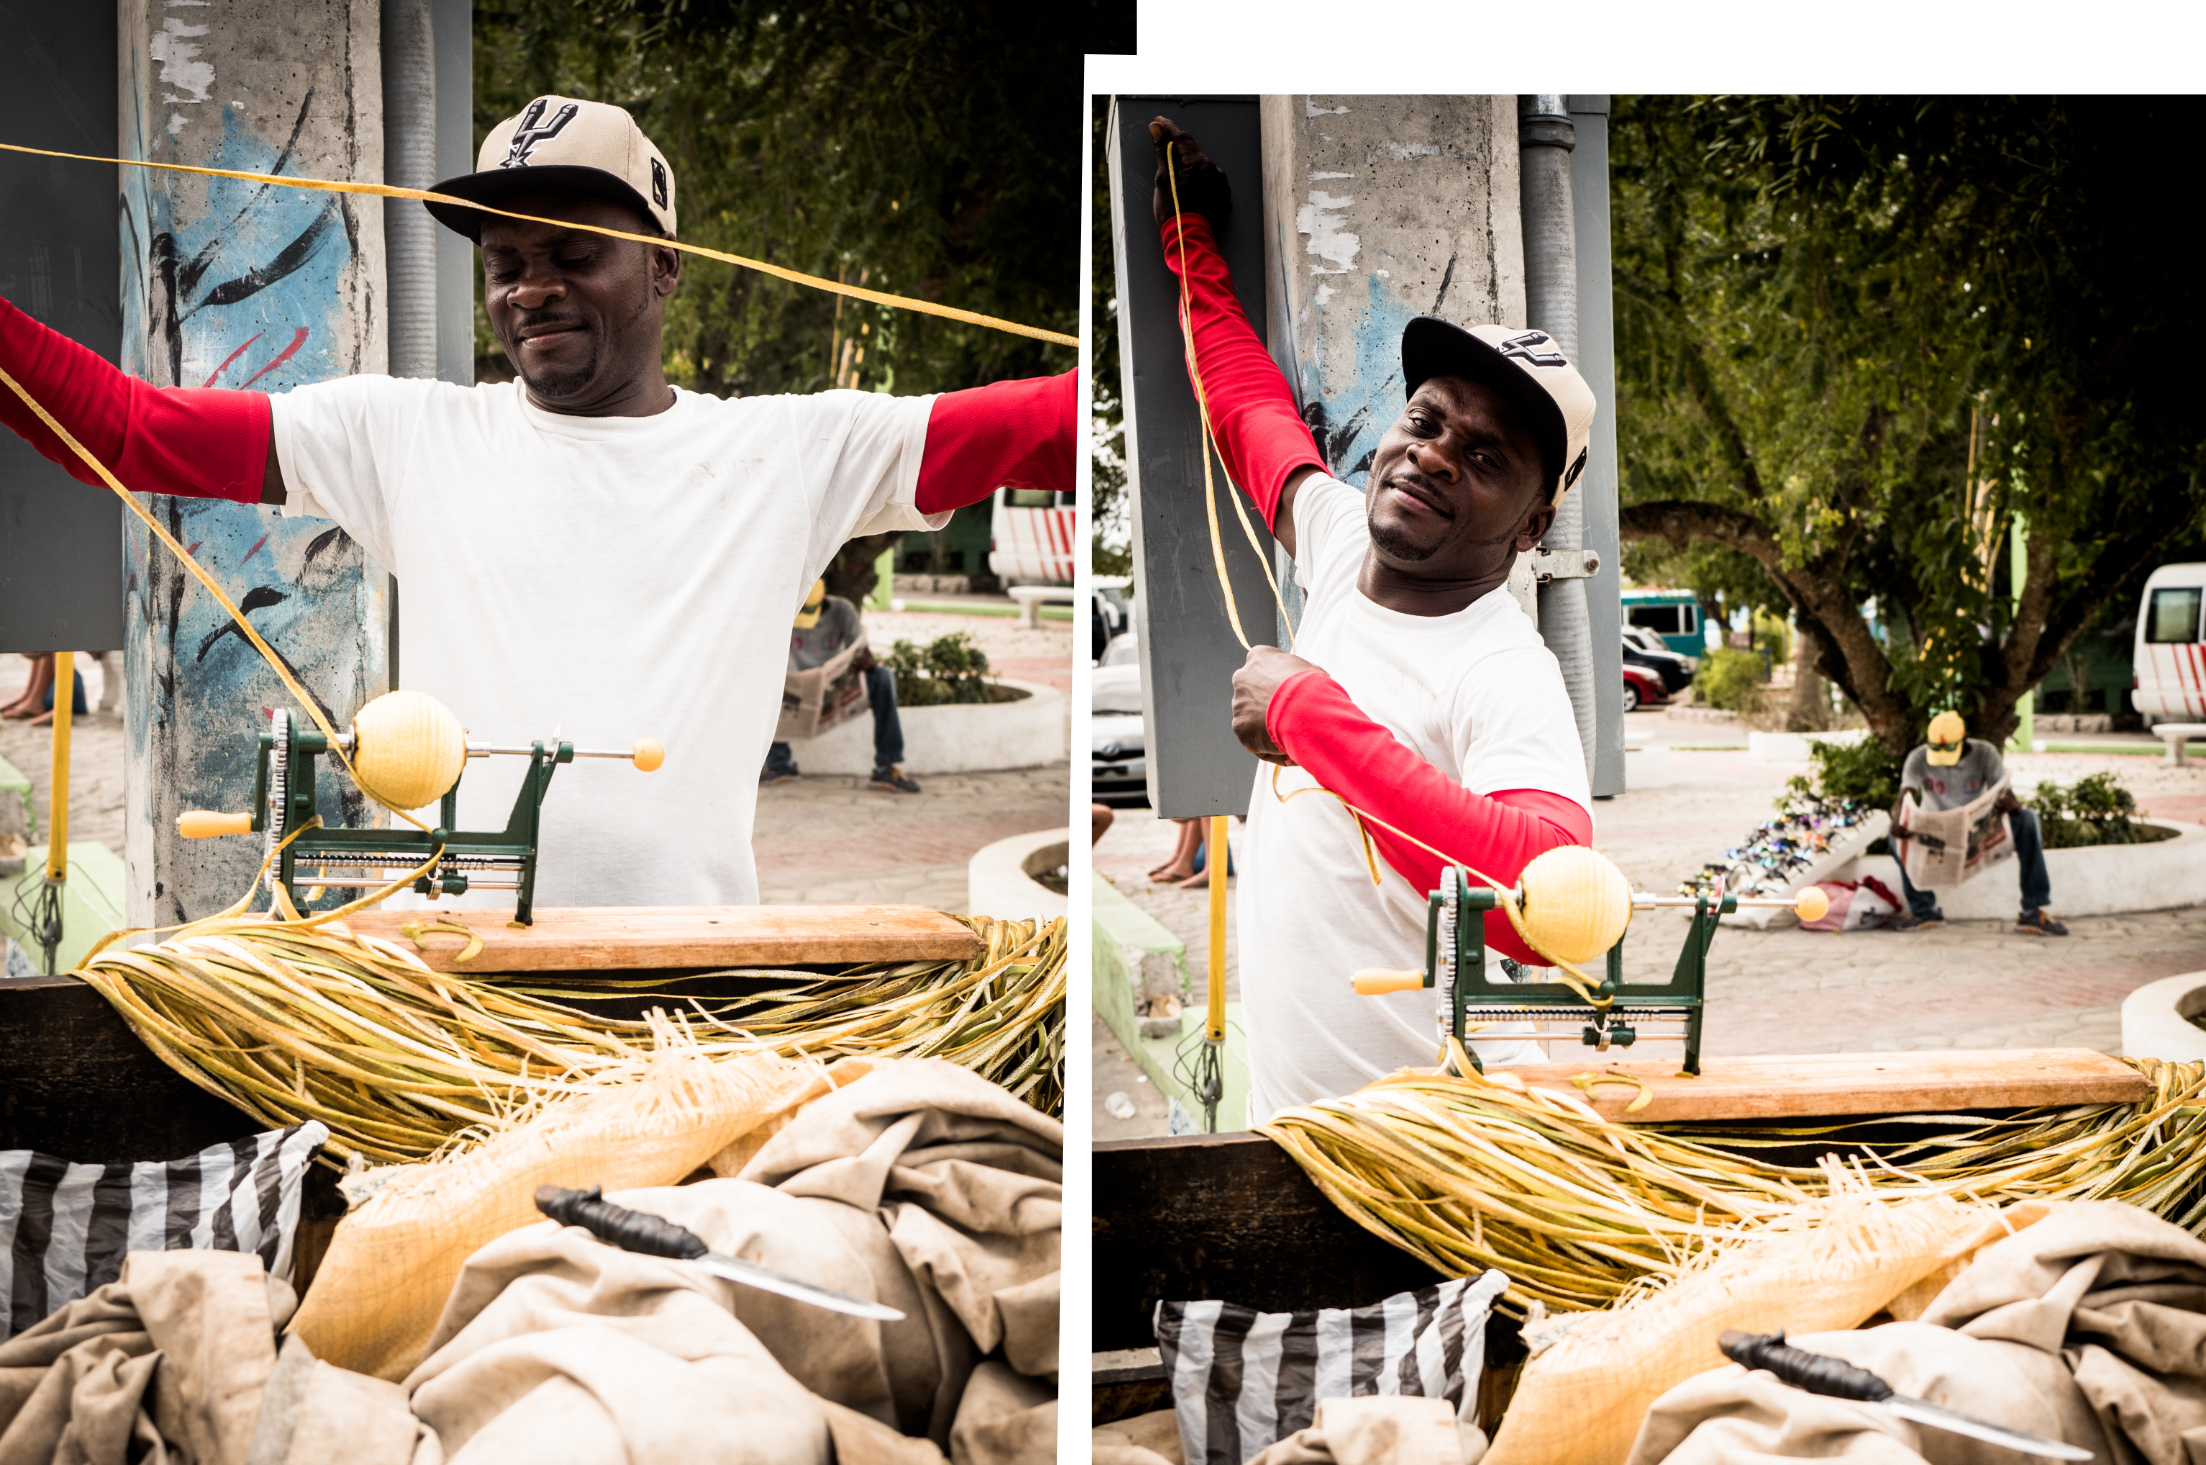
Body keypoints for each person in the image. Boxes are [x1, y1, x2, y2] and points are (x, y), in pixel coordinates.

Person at [0, 95, 1066, 905]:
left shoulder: (787, 452)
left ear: (665, 267)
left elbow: (1049, 423)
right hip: (461, 983)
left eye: (571, 255)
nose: (528, 288)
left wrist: (1191, 299)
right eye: (505, 262)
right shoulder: (405, 435)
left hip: (692, 994)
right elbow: (128, 430)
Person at [1145, 116, 1597, 1123]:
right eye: (1426, 421)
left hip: (1443, 1157)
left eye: (1484, 459)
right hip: (1310, 1141)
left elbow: (1546, 901)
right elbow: (1247, 410)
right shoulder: (1344, 545)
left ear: (1530, 529)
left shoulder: (1500, 668)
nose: (1435, 455)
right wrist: (1192, 245)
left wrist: (1311, 717)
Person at [1886, 709, 2070, 937]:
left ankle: (2033, 910)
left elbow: (2006, 793)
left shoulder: (1985, 753)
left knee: (2028, 820)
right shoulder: (1918, 757)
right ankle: (1924, 910)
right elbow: (1904, 795)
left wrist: (2010, 803)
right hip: (1935, 833)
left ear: (1963, 740)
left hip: (1977, 830)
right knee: (1893, 837)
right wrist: (1897, 819)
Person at [761, 579, 919, 793]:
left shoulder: (842, 610)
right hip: (795, 690)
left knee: (883, 677)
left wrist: (865, 659)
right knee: (766, 687)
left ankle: (887, 766)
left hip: (833, 687)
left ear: (822, 601)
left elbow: (859, 647)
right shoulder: (781, 613)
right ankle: (779, 762)